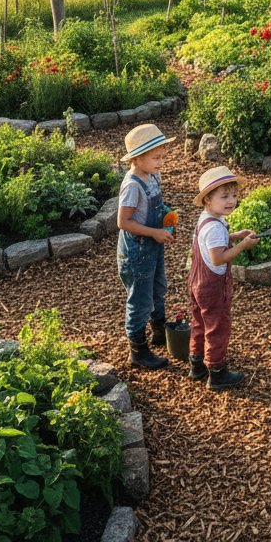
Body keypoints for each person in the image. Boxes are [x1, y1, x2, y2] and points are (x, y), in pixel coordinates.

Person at [188, 166, 267, 390]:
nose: (231, 200)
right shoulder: (213, 227)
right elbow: (218, 258)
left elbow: (216, 241)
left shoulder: (208, 219)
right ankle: (217, 372)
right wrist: (243, 245)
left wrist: (234, 235)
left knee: (199, 323)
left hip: (196, 282)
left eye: (234, 195)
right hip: (212, 287)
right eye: (224, 196)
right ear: (207, 200)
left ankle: (197, 364)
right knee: (217, 326)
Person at [117, 123, 175, 370]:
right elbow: (123, 221)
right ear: (138, 158)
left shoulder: (152, 175)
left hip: (153, 243)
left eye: (163, 156)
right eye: (156, 157)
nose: (161, 162)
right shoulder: (132, 185)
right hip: (138, 249)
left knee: (158, 285)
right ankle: (138, 351)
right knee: (139, 297)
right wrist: (154, 232)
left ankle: (159, 330)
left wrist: (168, 218)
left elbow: (155, 206)